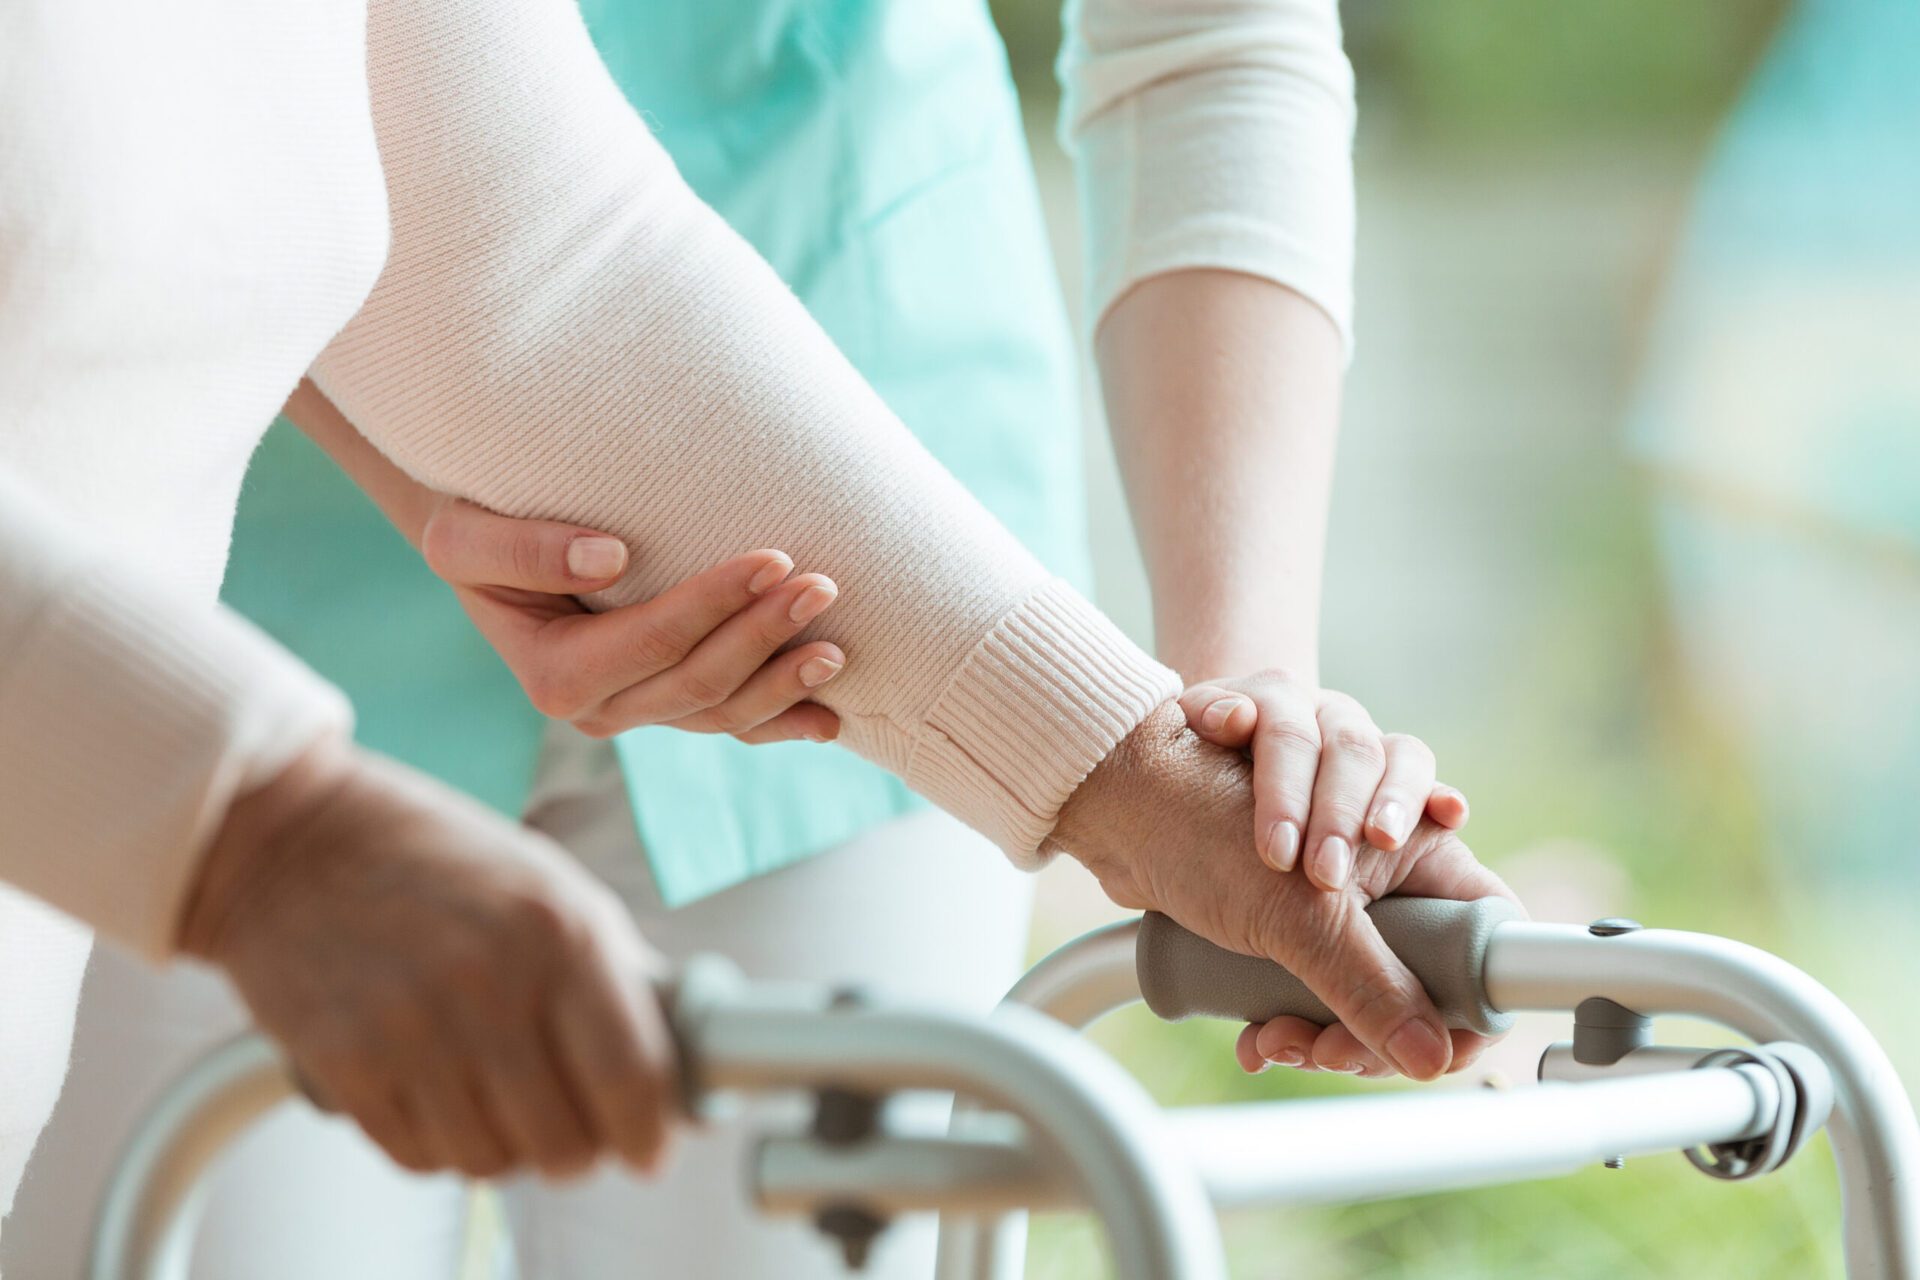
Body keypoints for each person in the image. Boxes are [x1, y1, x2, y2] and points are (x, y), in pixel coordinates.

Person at [0, 0, 1515, 1267]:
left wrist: (1185, 750)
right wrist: (254, 821)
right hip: (202, 587)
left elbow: (523, 243)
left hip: (850, 523)